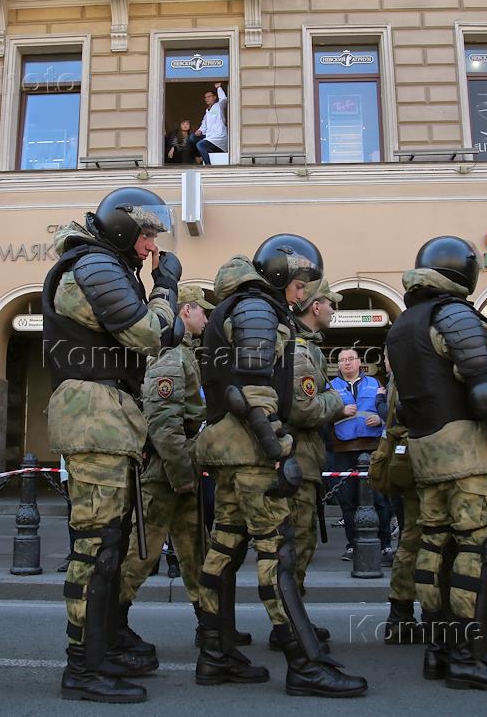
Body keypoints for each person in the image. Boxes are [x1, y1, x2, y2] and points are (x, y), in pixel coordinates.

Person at [194, 233, 367, 697]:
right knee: (277, 552)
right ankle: (304, 664)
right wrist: (279, 452)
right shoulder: (257, 308)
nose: (303, 291)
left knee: (224, 548)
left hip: (233, 450)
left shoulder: (244, 307)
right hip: (253, 452)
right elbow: (251, 392)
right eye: (300, 281)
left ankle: (215, 654)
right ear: (280, 275)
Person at [42, 187, 180, 703]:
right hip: (94, 416)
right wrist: (165, 287)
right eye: (146, 235)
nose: (151, 247)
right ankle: (82, 667)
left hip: (107, 416)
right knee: (95, 549)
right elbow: (149, 334)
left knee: (109, 546)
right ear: (123, 230)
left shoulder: (105, 264)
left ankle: (101, 651)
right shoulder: (96, 264)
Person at [387, 236, 487, 690]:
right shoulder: (454, 314)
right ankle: (469, 656)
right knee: (473, 551)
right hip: (466, 452)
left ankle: (439, 650)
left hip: (426, 451)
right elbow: (484, 392)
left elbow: (404, 404)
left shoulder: (403, 324)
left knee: (434, 548)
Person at [116, 284, 219, 658]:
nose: (206, 318)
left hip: (180, 467)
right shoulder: (170, 354)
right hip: (167, 473)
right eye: (202, 310)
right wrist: (182, 476)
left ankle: (211, 627)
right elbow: (163, 423)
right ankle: (112, 622)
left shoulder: (183, 352)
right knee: (141, 553)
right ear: (185, 310)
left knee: (196, 552)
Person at [270, 278, 346, 651]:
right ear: (315, 306)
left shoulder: (306, 347)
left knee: (301, 542)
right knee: (296, 544)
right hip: (296, 461)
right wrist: (336, 401)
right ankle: (288, 626)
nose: (333, 309)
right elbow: (305, 409)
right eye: (331, 303)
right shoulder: (300, 350)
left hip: (302, 461)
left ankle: (294, 619)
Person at [370, 354, 426, 645]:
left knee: (411, 539)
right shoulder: (419, 366)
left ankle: (400, 617)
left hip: (407, 458)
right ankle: (442, 621)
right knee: (436, 542)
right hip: (430, 459)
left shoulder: (397, 377)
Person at [329, 348, 391, 562]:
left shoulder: (375, 383)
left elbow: (389, 410)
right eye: (342, 360)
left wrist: (381, 420)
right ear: (338, 365)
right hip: (343, 449)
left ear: (359, 362)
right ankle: (352, 545)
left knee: (379, 499)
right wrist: (339, 412)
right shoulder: (330, 387)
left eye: (350, 359)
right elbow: (321, 414)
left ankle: (384, 544)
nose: (347, 363)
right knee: (348, 501)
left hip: (372, 447)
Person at [189, 83, 228, 165]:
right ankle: (198, 156)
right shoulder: (207, 112)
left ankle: (208, 166)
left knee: (200, 145)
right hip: (209, 136)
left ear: (215, 97)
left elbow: (224, 99)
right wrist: (200, 130)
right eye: (205, 97)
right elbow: (204, 124)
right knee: (192, 137)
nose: (207, 99)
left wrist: (219, 88)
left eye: (209, 96)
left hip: (219, 137)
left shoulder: (219, 106)